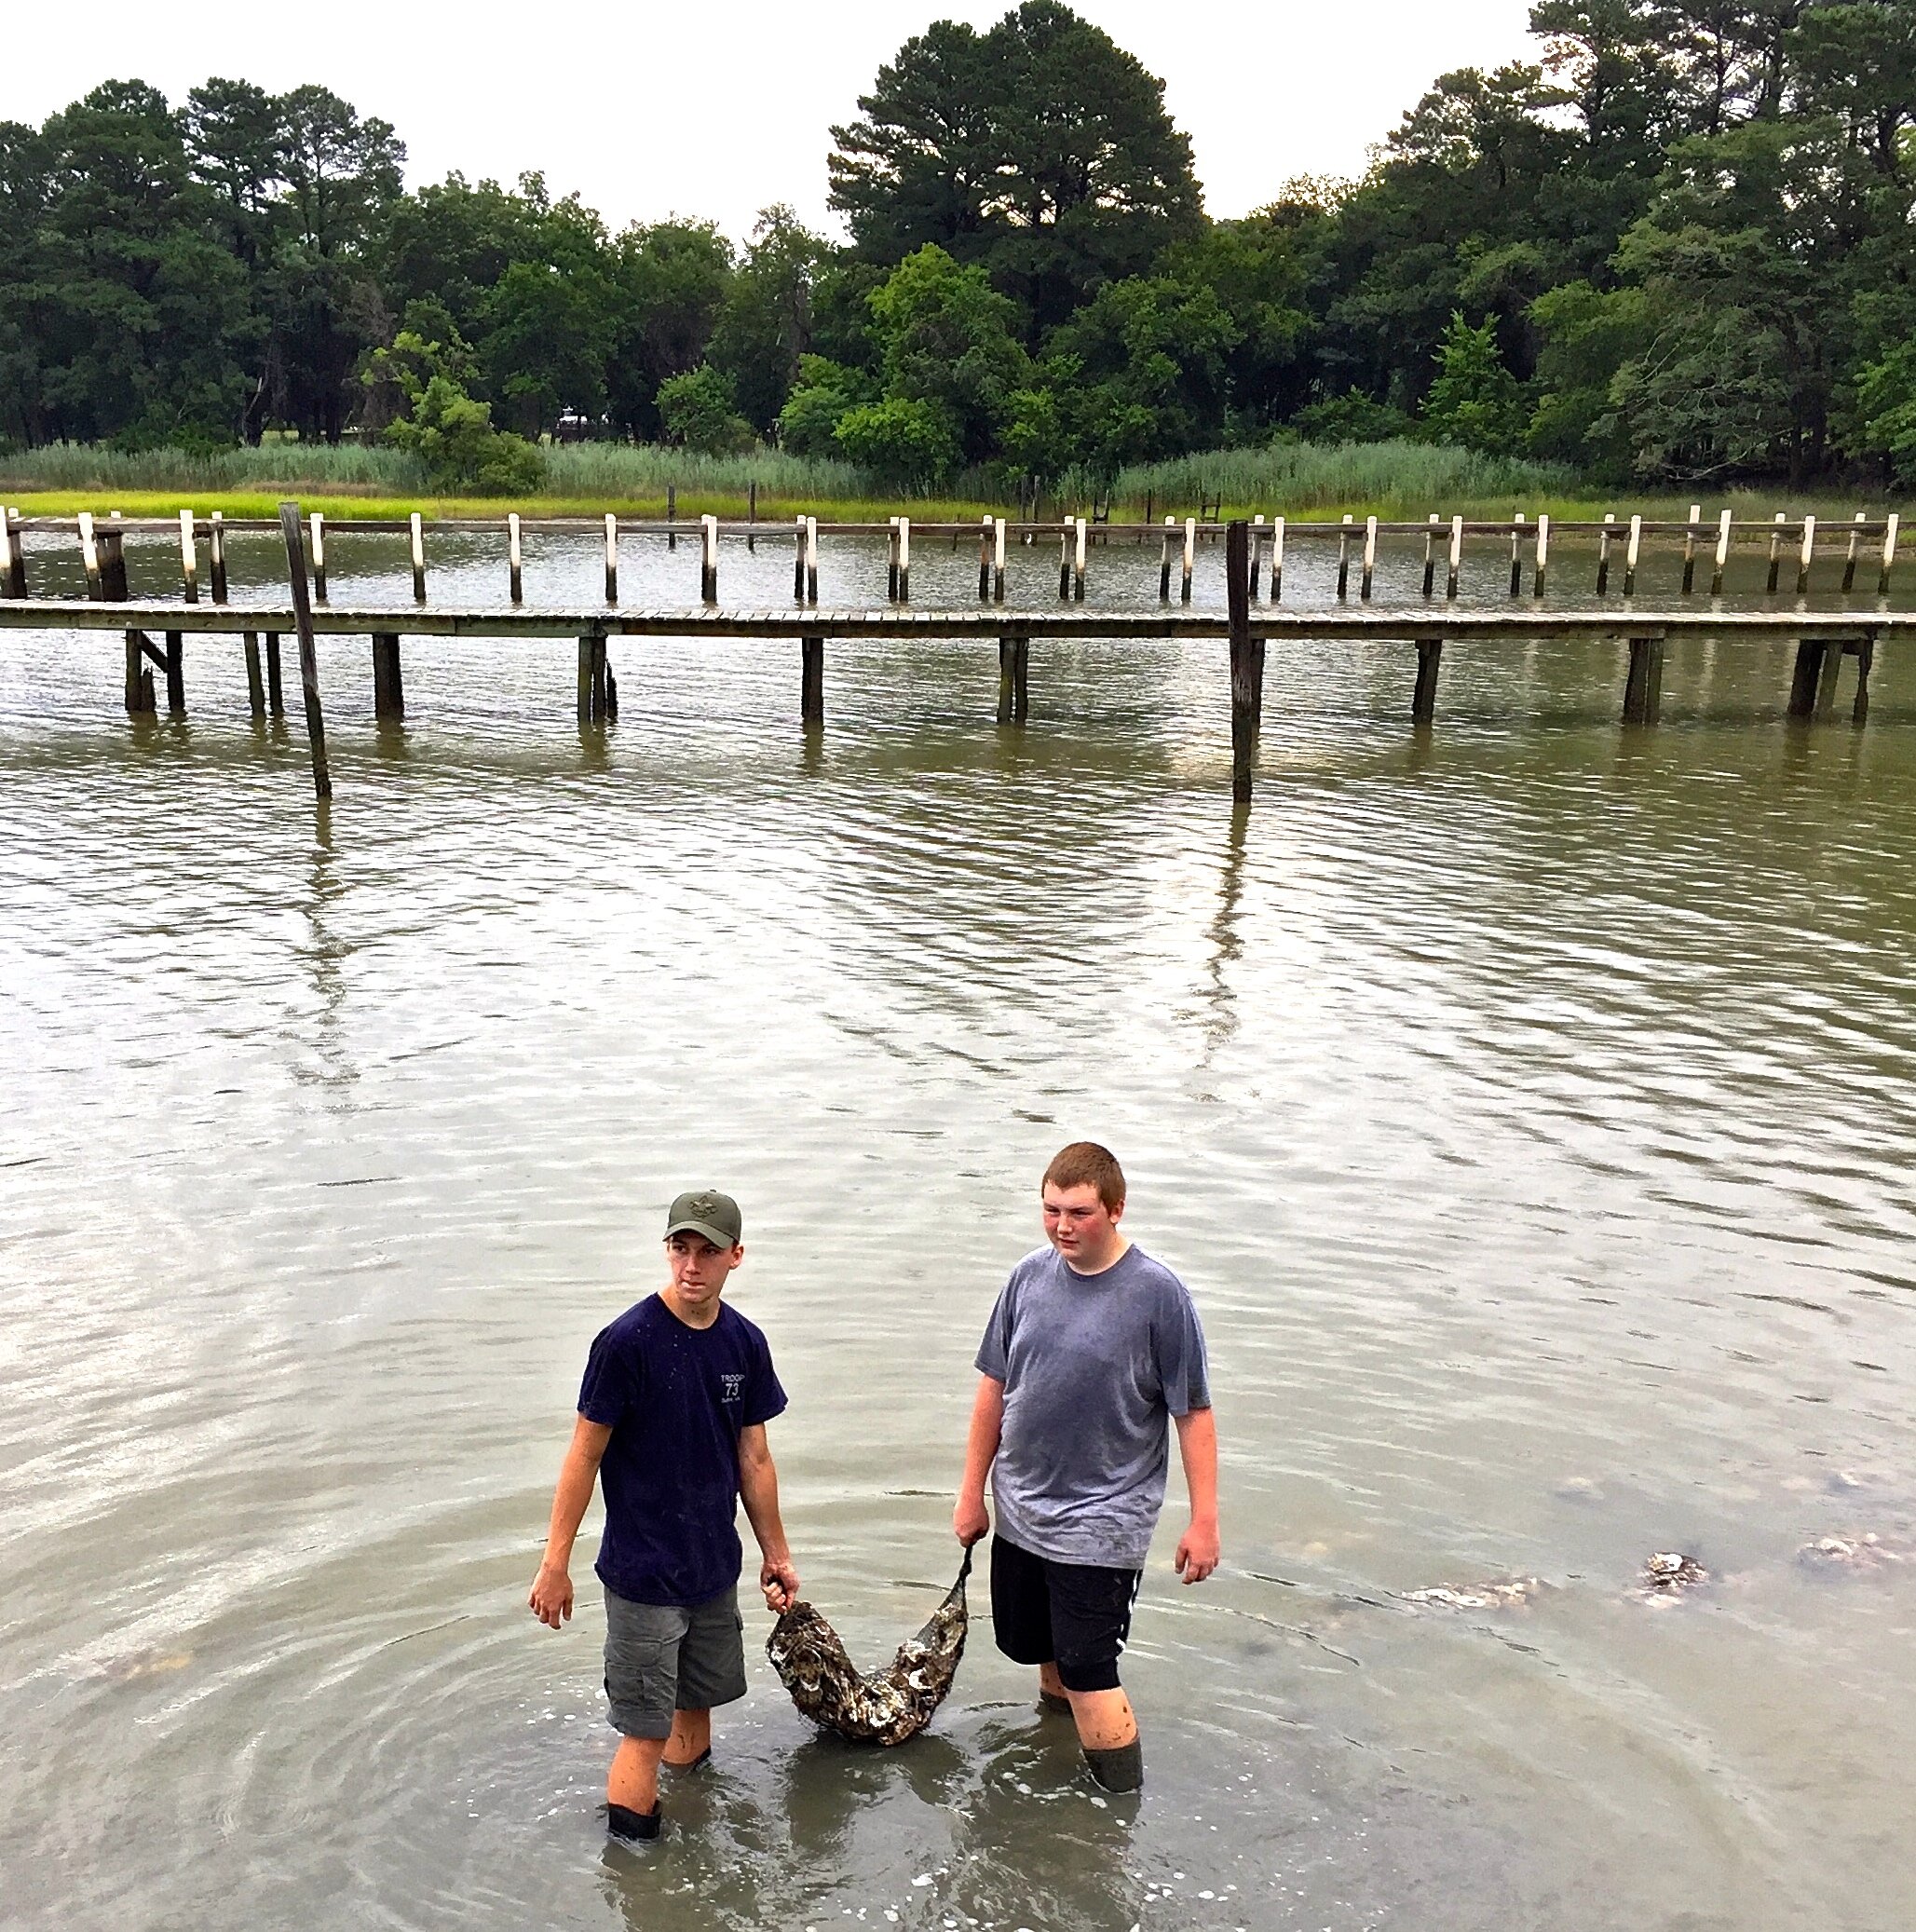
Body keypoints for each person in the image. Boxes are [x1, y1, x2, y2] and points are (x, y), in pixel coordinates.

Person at [529, 1189, 799, 1842]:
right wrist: (554, 1564)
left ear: (736, 1256)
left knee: (695, 1714)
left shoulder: (744, 1343)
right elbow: (583, 1454)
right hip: (644, 1576)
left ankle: (692, 1839)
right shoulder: (626, 1343)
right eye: (680, 1248)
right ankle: (635, 1869)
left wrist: (777, 1555)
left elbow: (754, 1458)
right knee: (644, 1734)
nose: (691, 1265)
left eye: (707, 1252)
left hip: (711, 1570)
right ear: (667, 1251)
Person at [953, 1142, 1218, 1793]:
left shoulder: (1158, 1296)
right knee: (1040, 1651)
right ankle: (1057, 1770)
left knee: (1089, 1668)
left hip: (1105, 1519)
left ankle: (1115, 1811)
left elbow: (1194, 1414)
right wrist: (970, 1494)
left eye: (1079, 1213)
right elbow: (993, 1388)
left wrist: (1204, 1520)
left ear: (1116, 1210)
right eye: (1050, 1211)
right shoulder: (1026, 1278)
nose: (1062, 1226)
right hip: (1020, 1509)